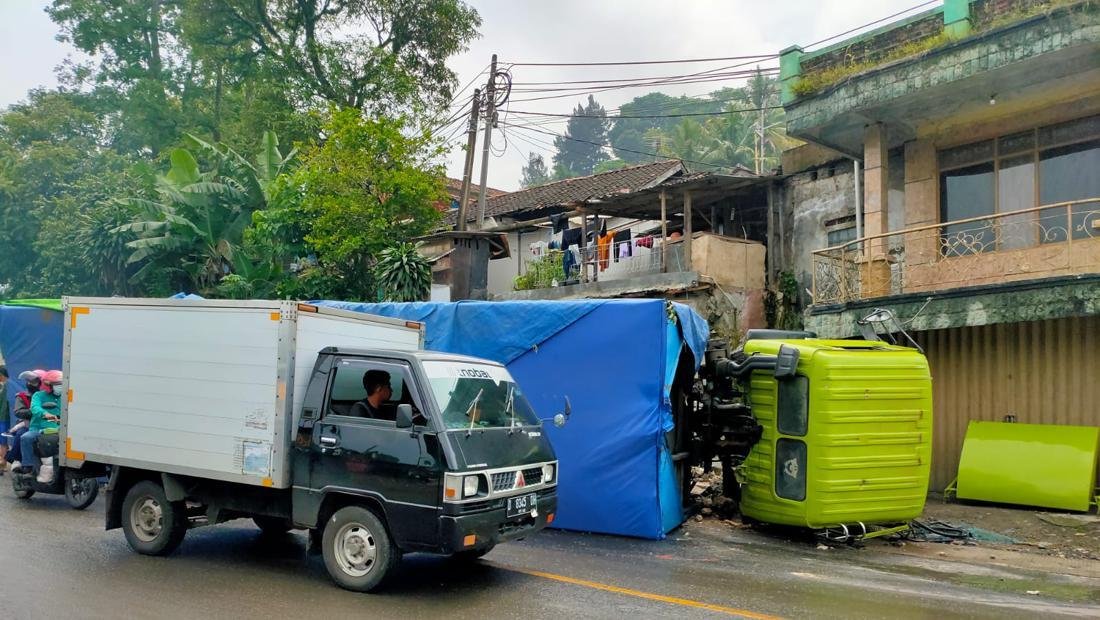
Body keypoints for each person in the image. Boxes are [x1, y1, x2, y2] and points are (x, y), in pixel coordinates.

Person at [15, 370, 63, 476]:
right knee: (25, 437)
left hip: (59, 429)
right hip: (39, 428)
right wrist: (46, 414)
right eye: (57, 384)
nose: (59, 387)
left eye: (61, 384)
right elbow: (35, 408)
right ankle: (28, 466)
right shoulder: (38, 395)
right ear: (47, 385)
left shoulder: (64, 397)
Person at [6, 370, 44, 468]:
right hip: (28, 424)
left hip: (47, 424)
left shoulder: (47, 396)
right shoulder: (22, 396)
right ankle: (18, 460)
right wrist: (34, 411)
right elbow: (18, 412)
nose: (31, 384)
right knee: (21, 435)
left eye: (35, 381)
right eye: (30, 381)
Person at [0, 366, 9, 472]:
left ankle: (3, 463)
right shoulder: (3, 386)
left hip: (4, 417)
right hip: (2, 416)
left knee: (3, 441)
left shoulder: (8, 386)